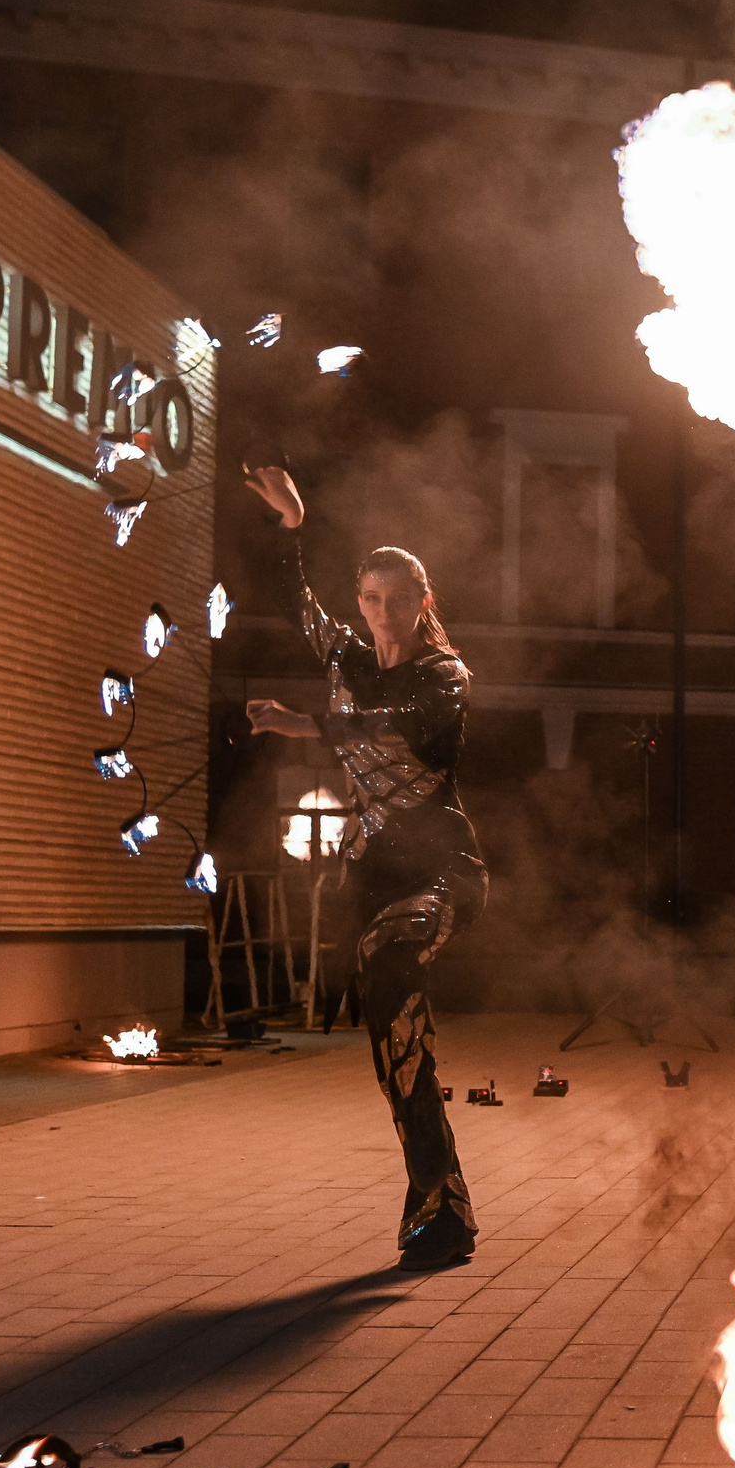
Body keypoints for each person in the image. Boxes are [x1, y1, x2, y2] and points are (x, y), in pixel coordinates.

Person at [243, 458, 488, 1272]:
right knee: (394, 1048)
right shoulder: (346, 657)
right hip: (374, 876)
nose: (381, 614)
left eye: (396, 599)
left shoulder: (442, 676)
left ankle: (441, 1208)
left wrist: (302, 723)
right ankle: (438, 1199)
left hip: (442, 870)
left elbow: (396, 725)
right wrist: (293, 527)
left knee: (390, 965)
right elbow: (295, 604)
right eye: (369, 600)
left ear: (424, 602)